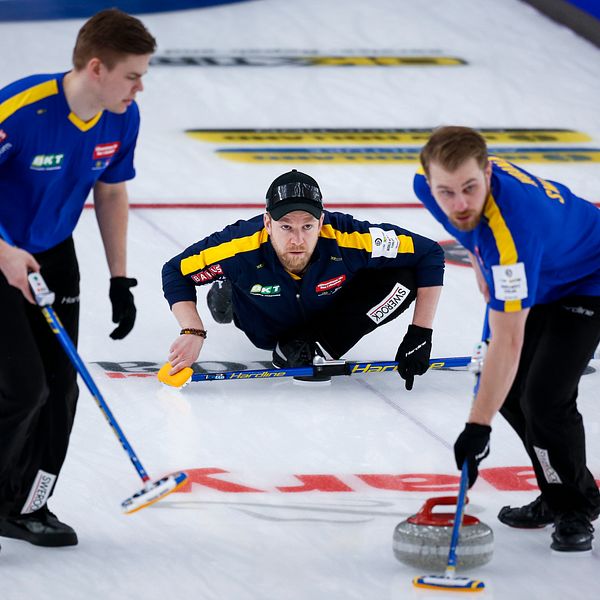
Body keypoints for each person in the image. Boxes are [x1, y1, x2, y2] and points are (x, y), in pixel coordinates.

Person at [0, 9, 156, 549]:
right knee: (22, 389)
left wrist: (121, 280)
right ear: (97, 67)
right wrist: (4, 250)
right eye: (133, 74)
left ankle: (27, 505)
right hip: (0, 252)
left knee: (61, 390)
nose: (139, 87)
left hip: (52, 253)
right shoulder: (20, 111)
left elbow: (110, 192)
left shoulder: (121, 117)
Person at [414, 125, 600, 552]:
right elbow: (465, 225)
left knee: (545, 398)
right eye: (447, 191)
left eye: (470, 188)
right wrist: (480, 261)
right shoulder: (427, 187)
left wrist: (477, 428)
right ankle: (560, 494)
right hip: (543, 269)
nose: (459, 204)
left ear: (487, 171)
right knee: (512, 393)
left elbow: (507, 343)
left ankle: (575, 508)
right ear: (429, 181)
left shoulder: (511, 237)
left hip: (589, 276)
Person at [162, 169, 444, 388]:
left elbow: (429, 253)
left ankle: (322, 344)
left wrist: (420, 334)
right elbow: (175, 271)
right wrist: (192, 331)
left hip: (327, 311)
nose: (297, 239)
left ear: (321, 222)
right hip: (259, 317)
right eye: (286, 226)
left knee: (404, 278)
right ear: (267, 223)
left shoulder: (349, 236)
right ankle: (227, 290)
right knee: (230, 294)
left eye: (307, 226)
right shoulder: (238, 245)